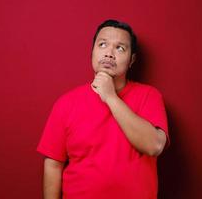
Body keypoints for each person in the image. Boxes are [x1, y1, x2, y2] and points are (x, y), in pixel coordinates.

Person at [37, 19, 169, 199]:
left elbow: (154, 146)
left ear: (132, 60)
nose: (109, 53)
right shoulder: (66, 103)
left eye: (120, 48)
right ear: (92, 52)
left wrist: (110, 97)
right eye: (103, 44)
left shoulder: (149, 96)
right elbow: (53, 165)